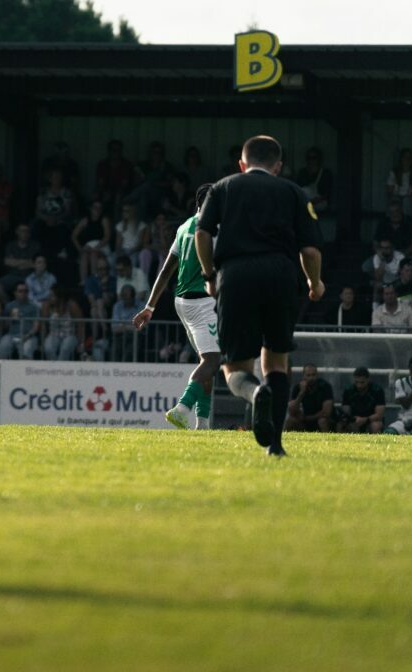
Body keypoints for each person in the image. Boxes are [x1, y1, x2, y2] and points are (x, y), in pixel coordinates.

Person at [195, 135, 325, 457]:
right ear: (278, 166)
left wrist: (210, 276)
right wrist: (315, 283)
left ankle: (255, 394)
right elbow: (309, 249)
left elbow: (201, 233)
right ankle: (276, 447)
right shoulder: (294, 192)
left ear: (242, 163)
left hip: (236, 275)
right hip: (281, 275)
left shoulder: (223, 187)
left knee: (235, 367)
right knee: (277, 360)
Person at [133, 184, 221, 429]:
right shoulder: (213, 228)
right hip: (202, 302)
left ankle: (202, 423)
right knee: (212, 360)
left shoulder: (183, 227)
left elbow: (165, 271)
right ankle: (182, 408)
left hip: (181, 302)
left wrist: (150, 306)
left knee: (206, 359)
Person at [0, 224, 41, 302]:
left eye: (27, 231)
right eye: (22, 231)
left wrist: (17, 262)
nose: (25, 233)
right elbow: (7, 262)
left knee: (36, 286)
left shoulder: (35, 245)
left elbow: (36, 263)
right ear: (17, 232)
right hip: (13, 275)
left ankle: (29, 307)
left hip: (29, 276)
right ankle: (9, 306)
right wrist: (26, 262)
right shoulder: (10, 245)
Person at [0, 282, 41, 361]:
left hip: (28, 336)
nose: (23, 293)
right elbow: (5, 327)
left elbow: (36, 327)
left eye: (26, 291)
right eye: (20, 291)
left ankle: (24, 373)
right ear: (15, 293)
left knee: (26, 352)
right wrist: (10, 318)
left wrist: (26, 336)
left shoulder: (34, 307)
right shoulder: (9, 306)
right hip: (11, 335)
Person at [284, 364, 336, 432]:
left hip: (319, 419)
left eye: (313, 375)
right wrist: (301, 394)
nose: (311, 378)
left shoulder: (325, 387)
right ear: (303, 376)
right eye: (308, 375)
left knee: (322, 421)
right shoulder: (298, 388)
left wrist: (306, 418)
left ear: (317, 375)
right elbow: (291, 411)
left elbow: (326, 412)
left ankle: (327, 441)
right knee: (290, 420)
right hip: (305, 421)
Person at [338, 367, 386, 434]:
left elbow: (379, 415)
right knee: (341, 425)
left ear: (368, 379)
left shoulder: (377, 391)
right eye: (356, 382)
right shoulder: (349, 391)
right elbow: (346, 411)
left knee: (376, 426)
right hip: (354, 420)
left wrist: (365, 419)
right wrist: (352, 419)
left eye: (362, 382)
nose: (359, 386)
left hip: (371, 420)